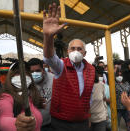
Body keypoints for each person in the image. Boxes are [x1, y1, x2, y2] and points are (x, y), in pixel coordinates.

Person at [43, 3, 95, 131]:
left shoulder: (91, 70)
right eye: (72, 48)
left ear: (85, 53)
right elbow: (49, 58)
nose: (76, 51)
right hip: (61, 123)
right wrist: (48, 37)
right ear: (68, 51)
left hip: (82, 122)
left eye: (79, 49)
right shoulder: (61, 66)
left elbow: (89, 95)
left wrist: (88, 116)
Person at [0, 61, 44, 131]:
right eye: (17, 73)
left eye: (26, 73)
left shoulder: (29, 95)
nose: (23, 76)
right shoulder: (6, 97)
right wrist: (18, 124)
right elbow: (3, 118)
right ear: (10, 76)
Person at [28, 58, 54, 131]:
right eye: (31, 72)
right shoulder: (26, 82)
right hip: (33, 126)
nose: (35, 74)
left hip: (50, 124)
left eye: (38, 71)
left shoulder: (53, 79)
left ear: (43, 70)